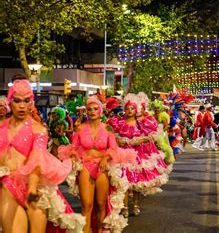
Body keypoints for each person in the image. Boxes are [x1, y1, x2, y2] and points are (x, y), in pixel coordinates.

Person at [0, 79, 85, 233]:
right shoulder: (1, 127)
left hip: (36, 189)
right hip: (8, 187)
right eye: (17, 100)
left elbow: (37, 159)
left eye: (26, 101)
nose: (21, 106)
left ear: (31, 102)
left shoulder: (38, 129)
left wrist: (32, 186)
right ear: (10, 101)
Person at [58, 96, 135, 233]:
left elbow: (113, 148)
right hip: (86, 166)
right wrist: (74, 155)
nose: (92, 111)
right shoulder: (80, 128)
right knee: (86, 205)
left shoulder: (108, 128)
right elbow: (72, 147)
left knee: (100, 204)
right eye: (89, 109)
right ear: (86, 112)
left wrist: (106, 158)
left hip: (102, 167)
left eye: (95, 109)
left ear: (100, 111)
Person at [109, 93, 171, 217]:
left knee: (137, 183)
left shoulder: (141, 123)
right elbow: (111, 135)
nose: (129, 111)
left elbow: (151, 136)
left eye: (132, 108)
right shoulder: (119, 123)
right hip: (122, 156)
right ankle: (125, 207)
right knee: (124, 182)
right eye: (127, 108)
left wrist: (141, 140)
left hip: (138, 156)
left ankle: (136, 205)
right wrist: (118, 140)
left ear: (136, 109)